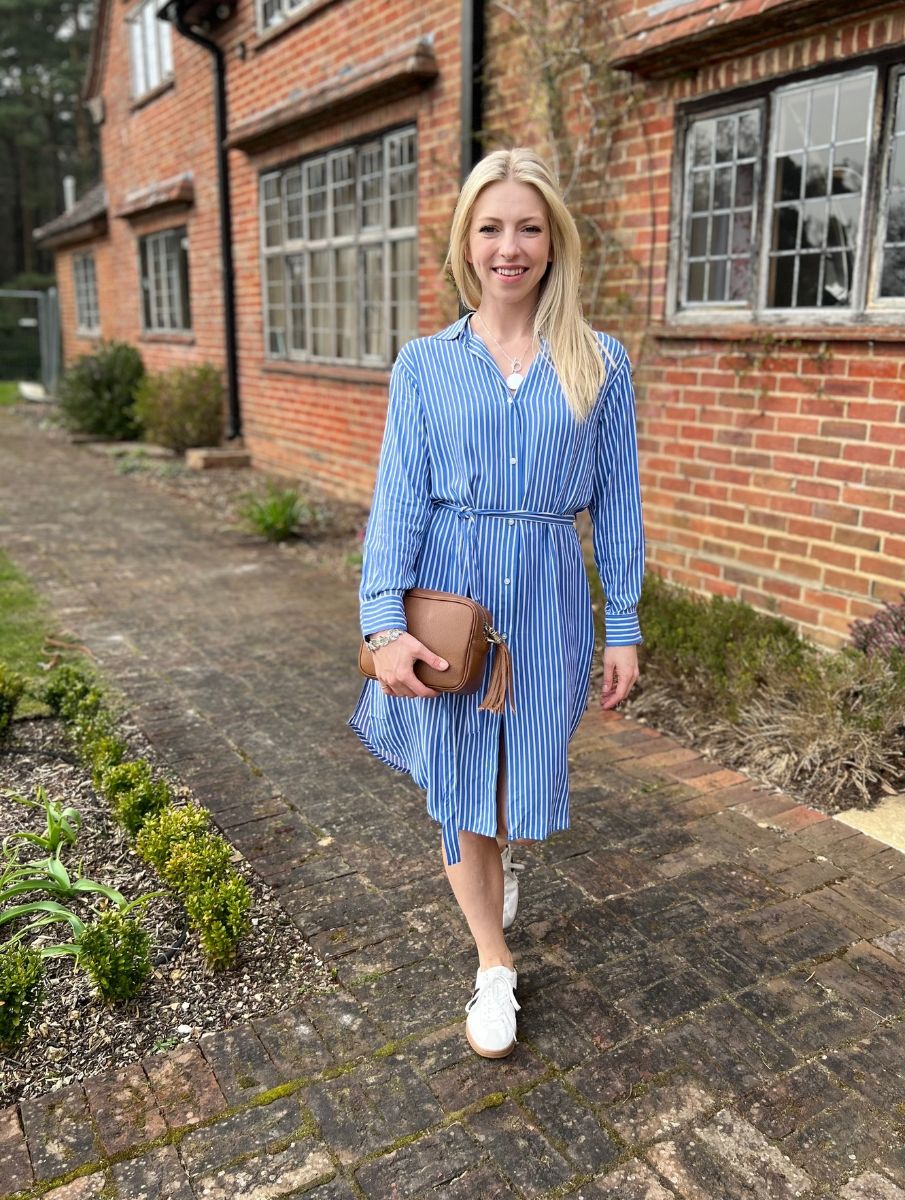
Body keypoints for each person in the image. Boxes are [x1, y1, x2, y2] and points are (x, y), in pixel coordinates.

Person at [349, 147, 643, 1059]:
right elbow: (397, 495)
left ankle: (502, 850)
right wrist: (382, 623)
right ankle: (494, 966)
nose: (508, 246)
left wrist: (622, 622)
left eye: (527, 227)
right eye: (490, 228)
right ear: (465, 242)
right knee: (464, 795)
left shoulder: (600, 362)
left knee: (519, 784)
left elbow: (620, 501)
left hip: (550, 602)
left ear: (553, 242)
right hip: (453, 603)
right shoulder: (425, 366)